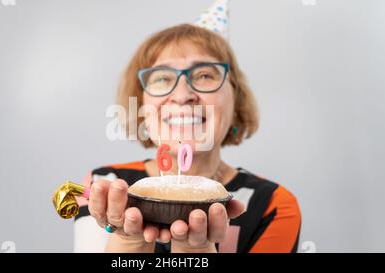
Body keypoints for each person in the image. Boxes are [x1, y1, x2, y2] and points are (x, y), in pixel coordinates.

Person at [74, 1, 301, 253]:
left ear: (236, 101)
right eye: (161, 78)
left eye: (205, 75)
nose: (182, 95)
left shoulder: (272, 204)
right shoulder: (105, 185)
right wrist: (128, 241)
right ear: (142, 105)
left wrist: (195, 251)